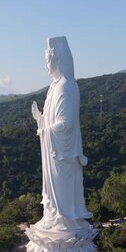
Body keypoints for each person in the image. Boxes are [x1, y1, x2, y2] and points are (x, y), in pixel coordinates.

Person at [31, 36, 92, 231]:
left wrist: (44, 130)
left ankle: (64, 220)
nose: (46, 66)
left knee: (63, 191)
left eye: (48, 61)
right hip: (53, 151)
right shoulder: (54, 86)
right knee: (53, 190)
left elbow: (67, 123)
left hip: (62, 153)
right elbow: (51, 119)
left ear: (59, 60)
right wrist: (40, 119)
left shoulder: (67, 85)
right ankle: (53, 216)